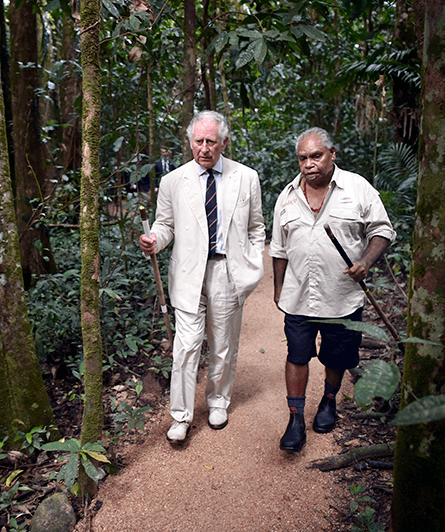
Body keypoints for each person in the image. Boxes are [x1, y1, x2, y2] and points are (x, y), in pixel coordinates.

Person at [139, 110, 265, 444]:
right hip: (187, 272)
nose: (204, 148)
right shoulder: (173, 181)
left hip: (227, 270)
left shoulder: (246, 177)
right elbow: (165, 224)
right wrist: (154, 240)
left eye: (211, 141)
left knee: (223, 344)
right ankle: (180, 416)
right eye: (198, 141)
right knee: (186, 347)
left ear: (224, 142)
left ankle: (218, 402)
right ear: (190, 142)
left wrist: (253, 262)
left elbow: (256, 226)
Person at [269, 127, 396, 452]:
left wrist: (366, 262)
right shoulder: (287, 196)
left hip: (342, 296)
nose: (309, 164)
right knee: (297, 354)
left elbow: (382, 229)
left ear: (332, 154)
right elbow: (279, 248)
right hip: (298, 296)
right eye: (302, 158)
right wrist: (279, 287)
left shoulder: (357, 188)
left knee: (336, 355)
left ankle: (328, 401)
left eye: (316, 156)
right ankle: (295, 418)